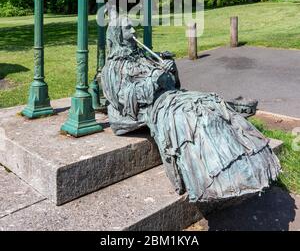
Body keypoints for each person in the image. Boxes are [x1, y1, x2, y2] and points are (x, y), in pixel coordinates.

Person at [101, 12, 280, 203]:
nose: (133, 30)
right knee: (192, 117)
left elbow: (173, 84)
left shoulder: (144, 57)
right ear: (118, 33)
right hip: (158, 107)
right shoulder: (112, 68)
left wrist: (170, 69)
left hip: (173, 97)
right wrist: (155, 78)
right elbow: (126, 101)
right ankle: (213, 178)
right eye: (128, 28)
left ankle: (244, 165)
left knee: (210, 103)